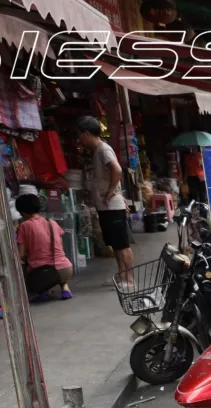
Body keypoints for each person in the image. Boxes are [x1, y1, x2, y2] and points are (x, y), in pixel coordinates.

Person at [75, 115, 134, 287]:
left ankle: (129, 279)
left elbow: (116, 169)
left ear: (86, 134)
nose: (79, 139)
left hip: (111, 205)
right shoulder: (98, 151)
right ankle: (122, 277)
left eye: (79, 135)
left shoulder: (103, 149)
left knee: (122, 244)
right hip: (107, 206)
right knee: (116, 244)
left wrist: (110, 192)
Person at [16, 193, 73, 302]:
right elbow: (60, 247)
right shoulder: (52, 222)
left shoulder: (24, 226)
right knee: (57, 261)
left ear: (22, 212)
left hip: (42, 274)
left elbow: (21, 255)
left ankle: (39, 291)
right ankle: (65, 288)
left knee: (26, 267)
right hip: (66, 269)